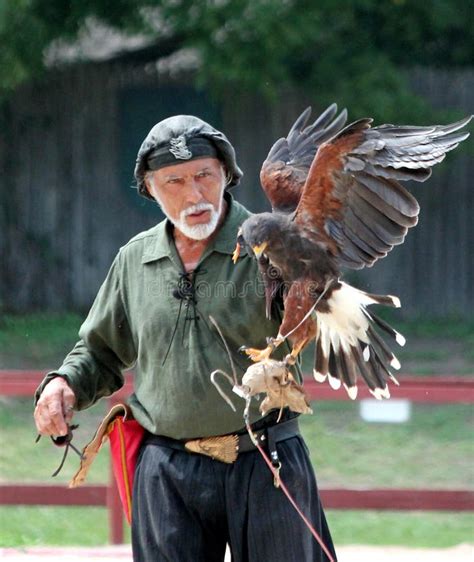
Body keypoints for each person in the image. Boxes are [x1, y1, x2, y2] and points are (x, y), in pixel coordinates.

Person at [34, 115, 337, 562]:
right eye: (174, 181)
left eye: (204, 176)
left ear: (226, 176)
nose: (193, 195)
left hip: (266, 461)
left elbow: (316, 318)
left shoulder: (273, 244)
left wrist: (313, 294)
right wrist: (63, 385)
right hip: (168, 471)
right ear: (150, 189)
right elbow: (99, 353)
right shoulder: (134, 262)